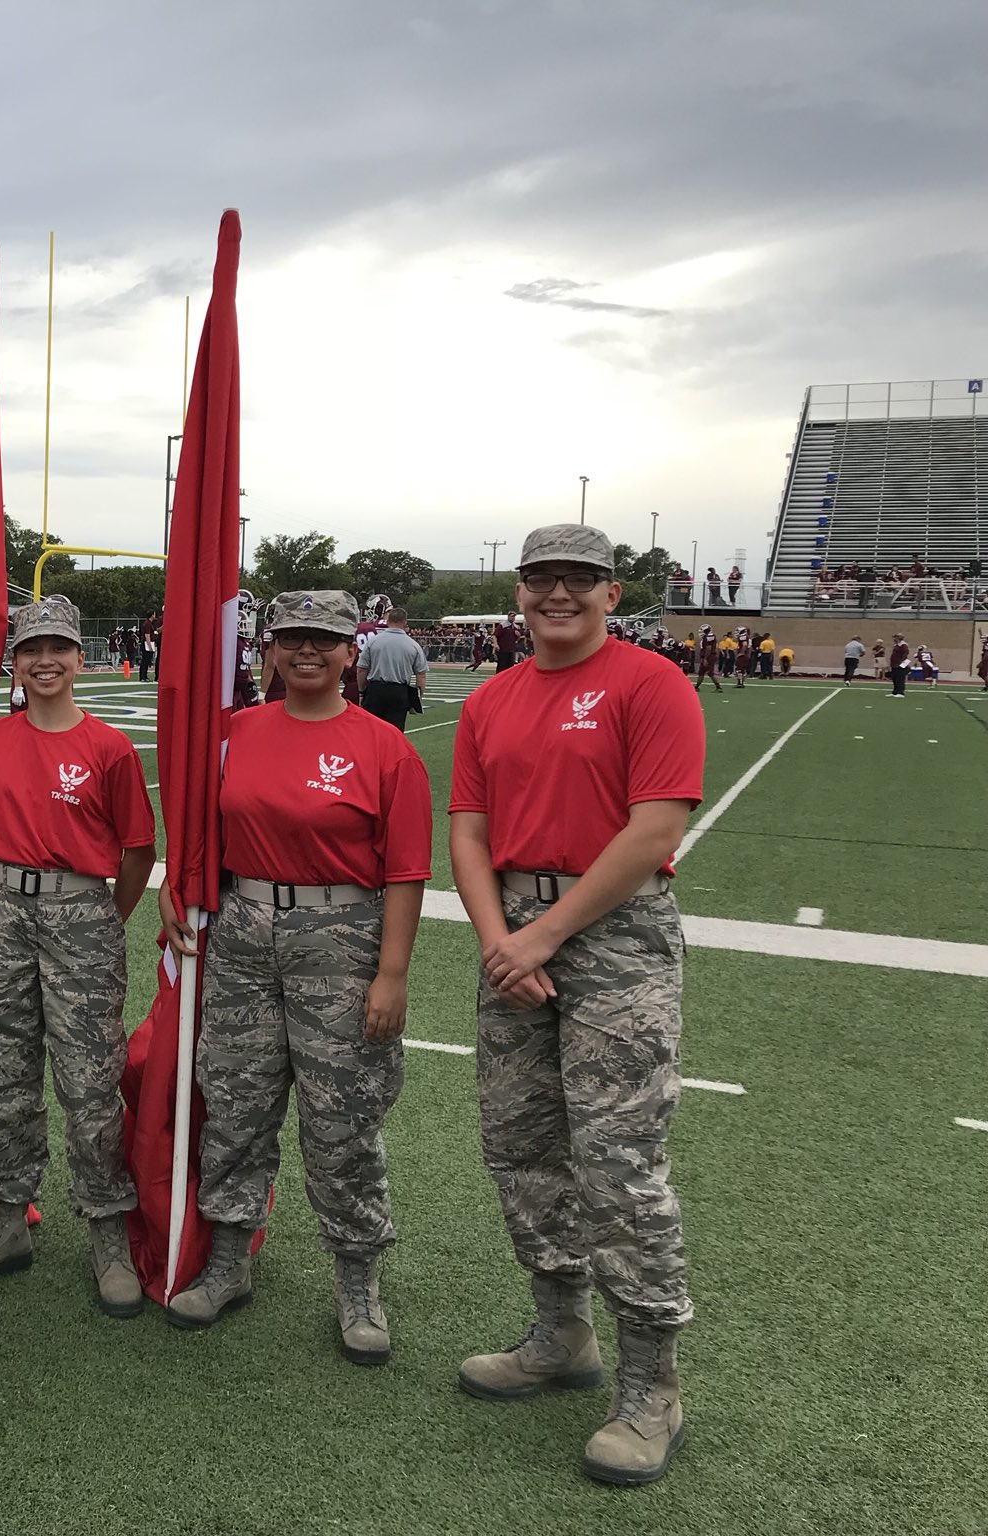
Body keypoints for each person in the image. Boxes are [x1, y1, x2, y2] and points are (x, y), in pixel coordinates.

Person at [449, 524, 704, 1488]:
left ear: (611, 593)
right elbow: (468, 831)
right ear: (520, 591)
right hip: (512, 932)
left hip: (615, 934)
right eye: (542, 578)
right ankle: (562, 1332)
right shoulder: (492, 698)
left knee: (618, 1163)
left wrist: (542, 938)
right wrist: (500, 942)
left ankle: (652, 1387)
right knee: (520, 1144)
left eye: (580, 579)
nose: (559, 594)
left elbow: (656, 827)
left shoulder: (652, 683)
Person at [161, 591, 428, 1360]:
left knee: (341, 1118)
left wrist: (392, 973)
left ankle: (357, 1279)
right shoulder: (235, 734)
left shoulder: (384, 748)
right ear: (270, 649)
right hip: (243, 934)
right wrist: (179, 883)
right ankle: (228, 1258)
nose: (308, 651)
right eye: (293, 638)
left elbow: (406, 872)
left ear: (352, 652)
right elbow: (201, 833)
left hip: (341, 939)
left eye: (325, 639)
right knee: (236, 1102)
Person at [0, 596, 156, 1313]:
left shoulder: (108, 747)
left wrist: (102, 916)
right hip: (1, 907)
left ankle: (106, 1229)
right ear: (15, 663)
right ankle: (8, 1219)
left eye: (58, 648)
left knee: (89, 1082)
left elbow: (137, 850)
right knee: (4, 1076)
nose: (44, 662)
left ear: (79, 658)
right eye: (31, 650)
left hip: (81, 911)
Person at [358, 606, 427, 732]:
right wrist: (417, 699)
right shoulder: (413, 645)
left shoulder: (373, 642)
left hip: (375, 690)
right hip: (399, 692)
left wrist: (362, 692)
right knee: (395, 734)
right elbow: (421, 675)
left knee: (371, 732)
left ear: (388, 621)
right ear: (405, 622)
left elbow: (362, 669)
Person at [692, 625, 721, 694]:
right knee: (701, 672)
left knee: (710, 673)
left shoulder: (707, 637)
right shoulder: (709, 637)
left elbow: (708, 648)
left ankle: (718, 687)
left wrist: (705, 658)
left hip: (709, 657)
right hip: (707, 656)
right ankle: (696, 687)